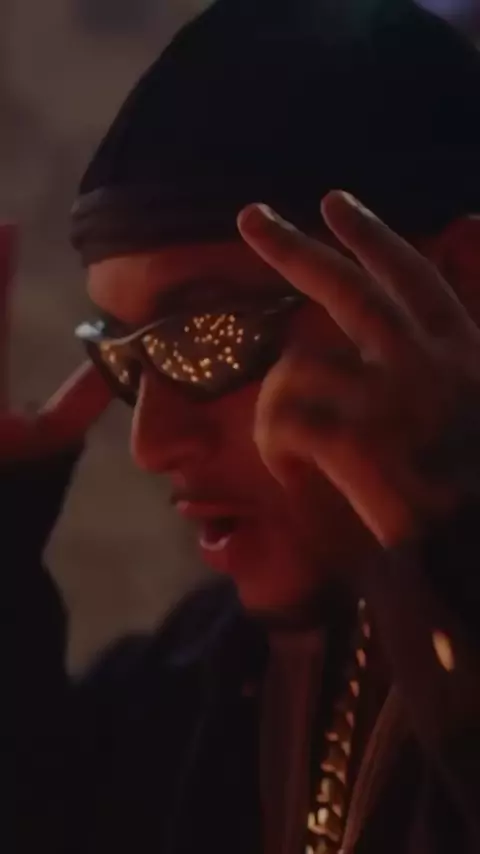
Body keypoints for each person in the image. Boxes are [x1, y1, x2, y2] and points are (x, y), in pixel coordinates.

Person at [8, 0, 480, 852]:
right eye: (124, 356)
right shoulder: (207, 677)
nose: (154, 444)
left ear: (456, 282)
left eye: (206, 338)